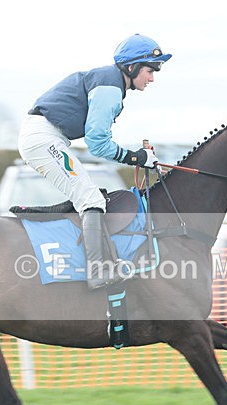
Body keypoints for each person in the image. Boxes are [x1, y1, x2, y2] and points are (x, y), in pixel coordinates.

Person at [18, 34, 172, 290]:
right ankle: (98, 271)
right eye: (149, 70)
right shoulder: (110, 86)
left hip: (45, 136)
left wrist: (137, 156)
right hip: (43, 138)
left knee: (89, 197)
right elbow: (98, 143)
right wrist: (137, 157)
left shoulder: (110, 83)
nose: (152, 78)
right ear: (131, 67)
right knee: (90, 199)